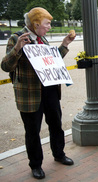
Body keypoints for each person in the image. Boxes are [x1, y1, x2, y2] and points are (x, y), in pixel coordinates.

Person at [1, 7, 75, 179]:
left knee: (56, 124)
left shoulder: (42, 39)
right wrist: (18, 48)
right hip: (29, 95)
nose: (49, 27)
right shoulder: (16, 38)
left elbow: (51, 62)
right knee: (32, 131)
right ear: (35, 24)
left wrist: (64, 45)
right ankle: (35, 165)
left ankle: (59, 154)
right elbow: (5, 66)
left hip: (50, 91)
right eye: (47, 23)